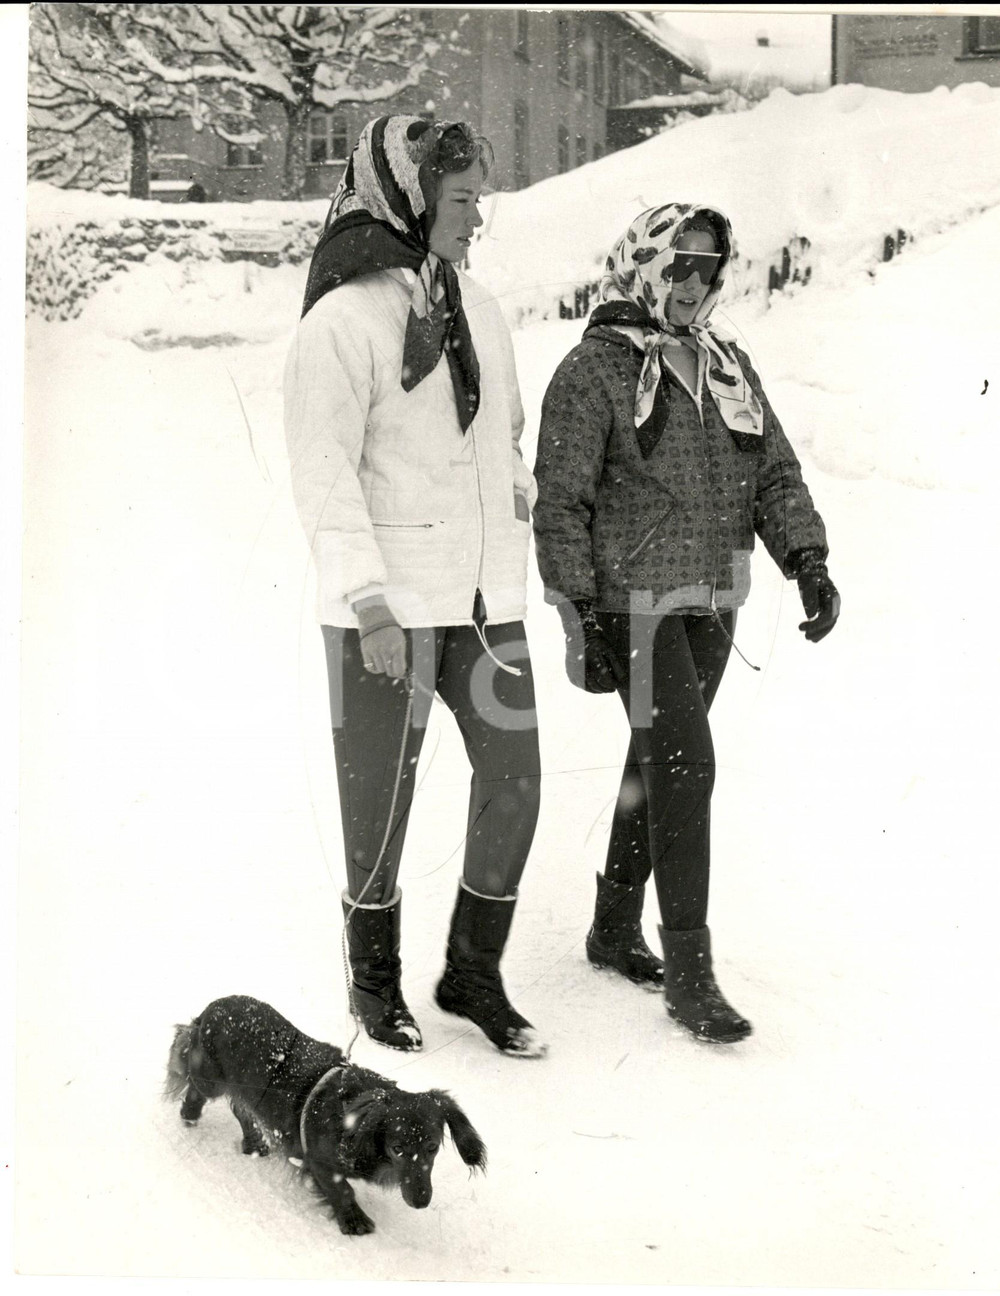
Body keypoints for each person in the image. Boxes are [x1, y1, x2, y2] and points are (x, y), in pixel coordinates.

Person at [532, 202, 840, 1044]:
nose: (695, 286)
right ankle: (691, 973)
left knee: (655, 761)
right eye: (680, 267)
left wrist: (806, 559)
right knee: (687, 764)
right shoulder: (592, 372)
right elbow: (561, 500)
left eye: (709, 269)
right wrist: (579, 606)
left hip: (712, 600)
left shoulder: (727, 364)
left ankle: (610, 926)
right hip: (633, 603)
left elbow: (773, 470)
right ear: (645, 265)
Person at [284, 116, 545, 1059]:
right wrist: (365, 600)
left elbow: (500, 441)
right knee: (379, 809)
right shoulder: (342, 321)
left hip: (481, 609)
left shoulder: (481, 310)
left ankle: (473, 972)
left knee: (516, 783)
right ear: (410, 195)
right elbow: (323, 470)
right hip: (387, 612)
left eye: (480, 196)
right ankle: (376, 983)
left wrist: (526, 509)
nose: (479, 217)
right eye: (464, 197)